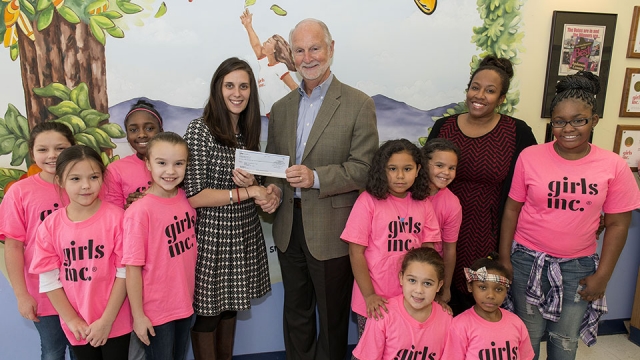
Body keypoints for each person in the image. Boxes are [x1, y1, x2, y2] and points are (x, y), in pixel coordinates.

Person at [499, 71, 640, 360]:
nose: (568, 129)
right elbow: (512, 209)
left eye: (579, 120)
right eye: (560, 122)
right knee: (526, 339)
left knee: (564, 342)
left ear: (594, 119)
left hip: (578, 268)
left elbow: (618, 224)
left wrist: (603, 276)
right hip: (527, 261)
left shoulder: (613, 166)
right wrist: (504, 259)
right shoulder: (531, 156)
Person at [262, 18, 379, 360]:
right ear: (291, 55)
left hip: (333, 231)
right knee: (296, 315)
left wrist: (316, 177)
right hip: (287, 227)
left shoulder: (358, 103)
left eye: (315, 48)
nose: (308, 57)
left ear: (331, 49)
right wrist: (272, 190)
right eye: (299, 50)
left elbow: (364, 169)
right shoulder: (282, 109)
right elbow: (274, 165)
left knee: (331, 320)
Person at [426, 55, 537, 314]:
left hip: (487, 231)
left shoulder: (516, 132)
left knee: (477, 297)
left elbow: (535, 183)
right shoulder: (444, 127)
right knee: (437, 294)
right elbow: (423, 175)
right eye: (475, 87)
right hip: (439, 226)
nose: (480, 95)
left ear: (501, 99)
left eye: (490, 91)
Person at [183, 57, 275, 360]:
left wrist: (265, 190)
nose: (237, 93)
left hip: (243, 233)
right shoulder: (200, 130)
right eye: (230, 85)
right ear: (218, 89)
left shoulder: (247, 134)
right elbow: (194, 195)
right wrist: (246, 190)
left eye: (244, 86)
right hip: (212, 238)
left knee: (230, 310)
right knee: (208, 316)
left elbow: (258, 185)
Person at [29, 145, 132, 360]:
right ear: (60, 181)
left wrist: (107, 321)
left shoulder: (118, 219)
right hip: (77, 325)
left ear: (102, 178)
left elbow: (124, 273)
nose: (86, 186)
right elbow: (49, 280)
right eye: (75, 179)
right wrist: (72, 320)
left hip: (115, 321)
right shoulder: (50, 226)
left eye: (93, 177)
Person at [341, 139, 441, 340]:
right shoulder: (368, 202)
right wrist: (369, 295)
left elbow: (429, 255)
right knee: (372, 351)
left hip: (412, 299)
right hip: (375, 300)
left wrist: (430, 294)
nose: (400, 176)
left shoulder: (424, 204)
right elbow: (355, 252)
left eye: (407, 168)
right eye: (392, 169)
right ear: (382, 170)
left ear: (418, 169)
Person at [0, 122, 76, 360]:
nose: (52, 155)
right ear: (32, 152)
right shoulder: (19, 192)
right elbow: (13, 246)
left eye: (60, 148)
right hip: (42, 290)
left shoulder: (87, 186)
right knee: (53, 351)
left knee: (83, 351)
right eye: (43, 149)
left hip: (83, 288)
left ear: (73, 148)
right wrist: (22, 296)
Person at [123, 132, 196, 360]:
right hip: (156, 311)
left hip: (186, 303)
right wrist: (138, 316)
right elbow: (132, 269)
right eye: (161, 163)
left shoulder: (188, 199)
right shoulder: (139, 212)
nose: (170, 171)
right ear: (148, 164)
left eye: (178, 164)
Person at [352, 247, 452, 360]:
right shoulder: (382, 315)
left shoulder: (446, 320)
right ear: (401, 278)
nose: (419, 290)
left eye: (427, 283)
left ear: (439, 285)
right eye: (412, 281)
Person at [442, 254, 534, 359]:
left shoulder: (516, 323)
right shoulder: (460, 326)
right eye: (483, 287)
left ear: (506, 291)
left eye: (499, 289)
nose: (491, 295)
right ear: (470, 286)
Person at [103, 99, 163, 209]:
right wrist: (129, 209)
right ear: (127, 135)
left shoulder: (175, 164)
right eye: (133, 130)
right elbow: (112, 212)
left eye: (149, 128)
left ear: (161, 131)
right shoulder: (115, 170)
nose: (141, 134)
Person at [423, 138, 462, 305]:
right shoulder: (406, 193)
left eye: (451, 168)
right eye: (439, 165)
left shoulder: (452, 204)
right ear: (424, 164)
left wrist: (446, 287)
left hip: (428, 274)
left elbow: (449, 249)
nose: (446, 172)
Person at [240, 8, 297, 117]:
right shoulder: (264, 64)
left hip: (284, 112)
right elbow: (256, 46)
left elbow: (294, 87)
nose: (264, 43)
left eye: (268, 42)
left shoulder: (280, 67)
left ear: (274, 50)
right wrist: (248, 26)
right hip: (270, 114)